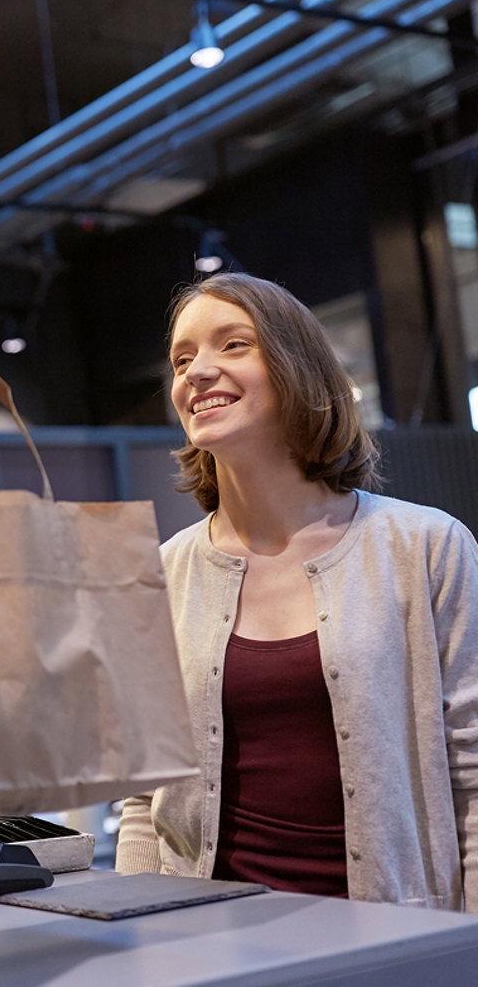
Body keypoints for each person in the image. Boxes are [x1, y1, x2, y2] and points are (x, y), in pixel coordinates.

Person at [116, 272, 478, 913]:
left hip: (393, 942)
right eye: (182, 358)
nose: (197, 371)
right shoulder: (163, 573)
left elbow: (473, 775)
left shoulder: (426, 547)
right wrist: (141, 940)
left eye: (233, 345)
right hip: (210, 942)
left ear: (296, 370)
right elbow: (146, 800)